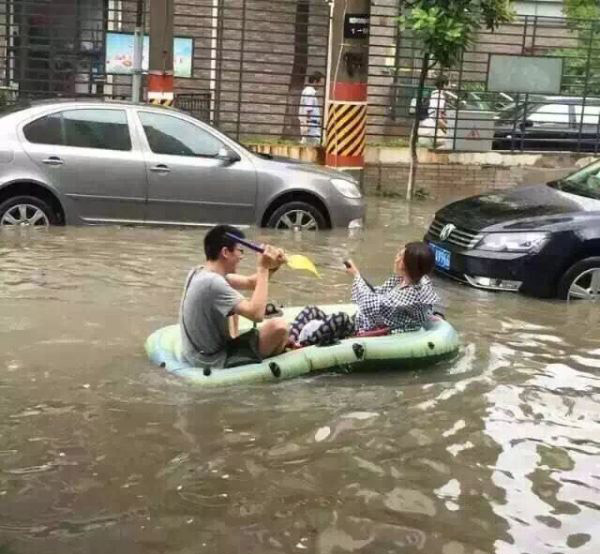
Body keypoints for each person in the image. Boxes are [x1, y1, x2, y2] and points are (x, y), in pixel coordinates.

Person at [179, 224, 289, 369]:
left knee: (277, 332)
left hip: (198, 353)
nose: (241, 257)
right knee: (279, 328)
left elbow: (251, 283)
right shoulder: (212, 283)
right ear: (225, 252)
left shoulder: (200, 272)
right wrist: (262, 268)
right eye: (240, 251)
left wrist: (273, 266)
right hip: (212, 360)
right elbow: (257, 314)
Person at [289, 242, 440, 346]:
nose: (396, 257)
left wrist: (356, 276)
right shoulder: (402, 280)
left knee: (340, 318)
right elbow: (377, 293)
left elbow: (371, 305)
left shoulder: (412, 293)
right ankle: (290, 338)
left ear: (407, 265)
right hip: (365, 321)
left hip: (367, 329)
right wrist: (358, 276)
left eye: (401, 256)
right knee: (311, 310)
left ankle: (301, 345)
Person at [419, 75, 449, 148]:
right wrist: (449, 128)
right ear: (444, 85)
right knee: (450, 142)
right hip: (429, 131)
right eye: (449, 84)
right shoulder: (438, 96)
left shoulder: (431, 95)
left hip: (424, 130)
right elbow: (436, 117)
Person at [299, 71, 324, 145]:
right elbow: (308, 109)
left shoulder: (307, 91)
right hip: (311, 126)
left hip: (310, 125)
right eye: (320, 82)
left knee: (307, 145)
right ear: (315, 81)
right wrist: (307, 125)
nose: (321, 85)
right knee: (315, 145)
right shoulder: (310, 92)